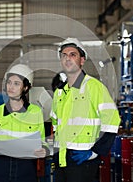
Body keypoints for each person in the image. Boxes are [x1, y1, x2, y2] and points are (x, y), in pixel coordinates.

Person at [50, 37, 121, 182]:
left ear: (82, 60)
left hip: (82, 160)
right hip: (61, 158)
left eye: (72, 55)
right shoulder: (59, 92)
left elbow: (112, 122)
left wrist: (95, 152)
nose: (67, 58)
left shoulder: (94, 87)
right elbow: (56, 124)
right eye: (64, 55)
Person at [0, 64, 49, 182]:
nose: (11, 87)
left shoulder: (35, 112)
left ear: (26, 87)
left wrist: (44, 150)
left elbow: (42, 142)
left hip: (25, 170)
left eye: (16, 83)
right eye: (9, 82)